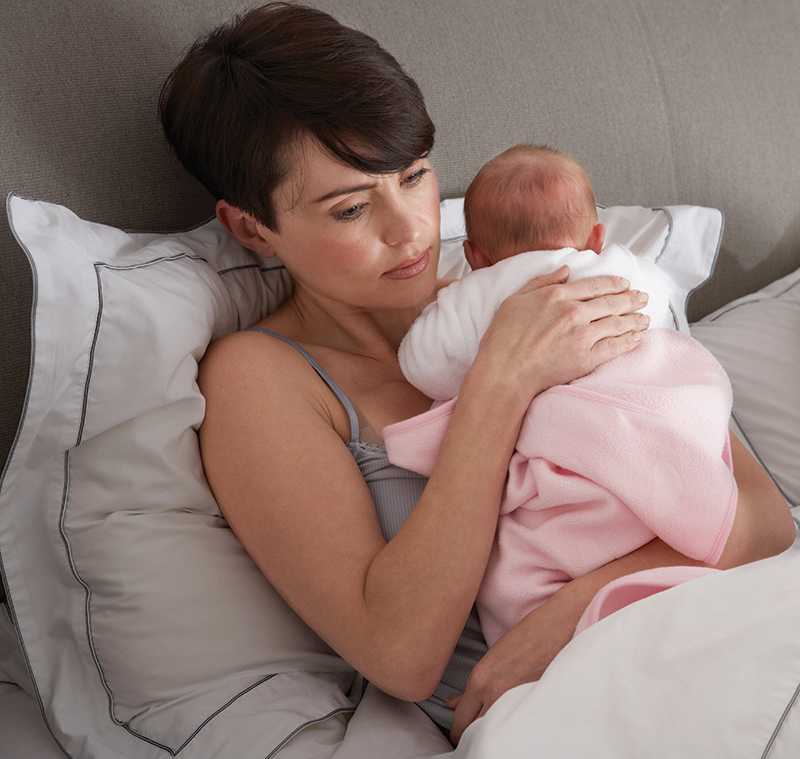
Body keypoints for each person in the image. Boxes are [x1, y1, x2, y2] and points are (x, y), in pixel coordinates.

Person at [159, 3, 795, 745]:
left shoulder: (528, 290)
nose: (413, 229)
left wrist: (565, 615)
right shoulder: (261, 379)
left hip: (701, 626)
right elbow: (401, 652)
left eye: (416, 175)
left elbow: (762, 519)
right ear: (250, 228)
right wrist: (500, 384)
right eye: (351, 207)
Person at [385, 144, 739, 648]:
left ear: (473, 256)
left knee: (528, 559)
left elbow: (423, 367)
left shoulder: (476, 293)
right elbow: (661, 325)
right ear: (597, 237)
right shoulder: (627, 270)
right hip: (654, 441)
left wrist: (438, 304)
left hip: (572, 463)